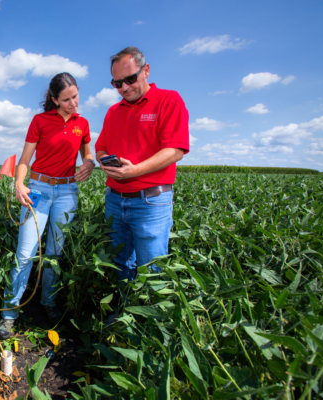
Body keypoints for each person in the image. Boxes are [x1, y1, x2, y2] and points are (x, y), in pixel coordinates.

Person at [0, 72, 96, 340]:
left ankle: (49, 304)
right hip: (39, 189)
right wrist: (19, 184)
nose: (73, 103)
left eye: (75, 97)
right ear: (54, 100)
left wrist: (89, 162)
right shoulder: (40, 121)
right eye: (66, 100)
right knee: (25, 253)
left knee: (56, 252)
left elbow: (87, 153)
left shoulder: (83, 123)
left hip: (67, 191)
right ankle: (9, 313)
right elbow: (24, 159)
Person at [95, 47, 189, 320]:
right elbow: (101, 148)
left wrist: (135, 170)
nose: (124, 87)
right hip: (115, 198)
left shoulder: (168, 101)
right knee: (119, 263)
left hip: (151, 201)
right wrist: (105, 162)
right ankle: (123, 316)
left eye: (130, 79)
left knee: (152, 267)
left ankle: (151, 326)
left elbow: (175, 149)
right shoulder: (114, 111)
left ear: (146, 70)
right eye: (117, 83)